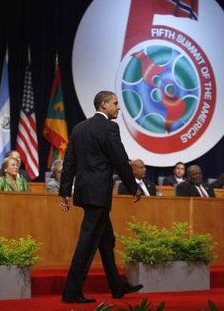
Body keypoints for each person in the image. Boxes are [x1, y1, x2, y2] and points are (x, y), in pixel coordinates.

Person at [59, 90, 143, 304]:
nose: (118, 107)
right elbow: (120, 160)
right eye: (115, 103)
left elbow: (69, 162)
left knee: (106, 241)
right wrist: (133, 186)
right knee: (86, 243)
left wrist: (65, 192)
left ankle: (117, 286)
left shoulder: (79, 128)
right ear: (104, 104)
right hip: (99, 194)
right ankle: (71, 292)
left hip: (85, 192)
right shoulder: (109, 127)